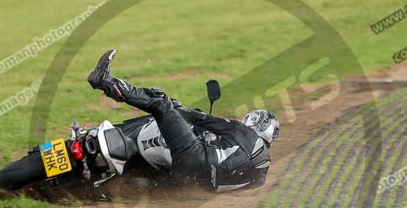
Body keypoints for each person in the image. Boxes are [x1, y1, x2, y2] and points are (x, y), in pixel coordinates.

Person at [87, 49, 279, 192]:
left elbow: (201, 119)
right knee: (156, 180)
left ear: (256, 123)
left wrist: (176, 107)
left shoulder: (244, 132)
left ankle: (104, 81)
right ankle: (105, 189)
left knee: (160, 103)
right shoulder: (260, 176)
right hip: (190, 185)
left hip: (193, 156)